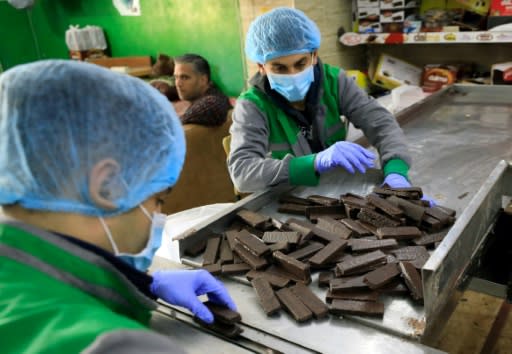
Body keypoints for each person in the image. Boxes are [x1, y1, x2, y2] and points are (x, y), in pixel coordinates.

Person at [0, 60, 237, 353]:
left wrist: (142, 283)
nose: (158, 216)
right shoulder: (115, 347)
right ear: (107, 186)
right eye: (158, 199)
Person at [227, 7, 435, 205]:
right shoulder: (252, 105)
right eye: (279, 68)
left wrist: (396, 170)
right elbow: (243, 173)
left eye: (300, 64)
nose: (293, 75)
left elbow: (381, 124)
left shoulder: (335, 83)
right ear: (262, 67)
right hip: (285, 200)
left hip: (337, 192)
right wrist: (314, 162)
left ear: (314, 55)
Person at [173, 53, 232, 126]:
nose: (178, 84)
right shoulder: (214, 92)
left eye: (185, 77)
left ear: (203, 80)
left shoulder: (212, 103)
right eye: (176, 77)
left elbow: (212, 105)